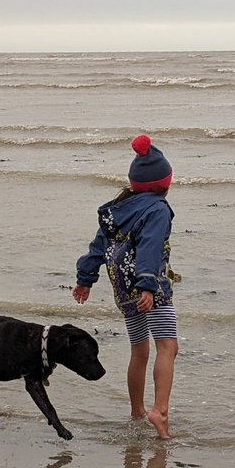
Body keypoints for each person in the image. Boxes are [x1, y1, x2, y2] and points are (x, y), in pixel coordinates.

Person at [73, 134, 178, 438]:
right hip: (148, 285)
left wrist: (85, 279)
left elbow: (98, 247)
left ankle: (136, 412)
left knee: (139, 350)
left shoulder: (119, 207)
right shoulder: (158, 209)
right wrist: (148, 285)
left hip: (121, 286)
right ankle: (159, 411)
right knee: (167, 346)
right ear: (164, 183)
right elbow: (150, 246)